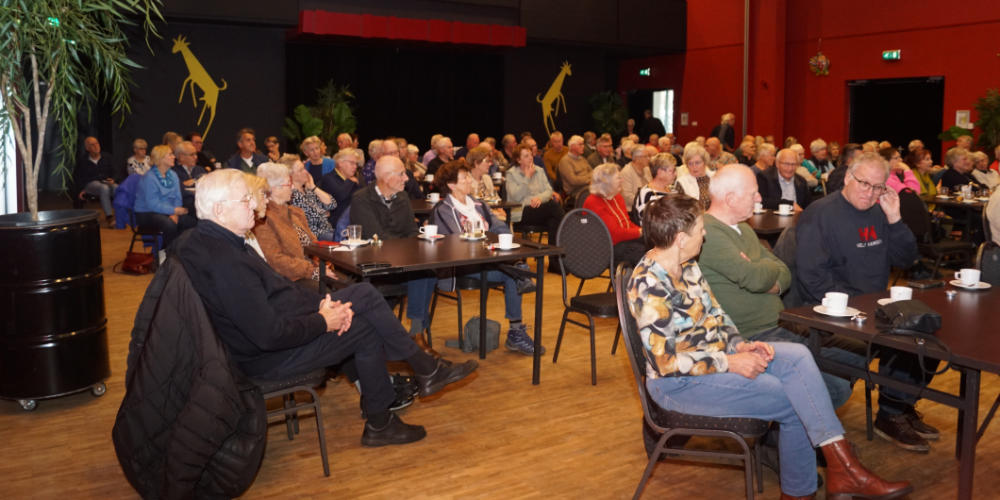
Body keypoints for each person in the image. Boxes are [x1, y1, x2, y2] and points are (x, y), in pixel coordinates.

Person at [627, 193, 913, 500]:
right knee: (792, 399)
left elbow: (717, 316)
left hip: (711, 362)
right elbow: (664, 362)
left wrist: (740, 345)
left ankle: (842, 468)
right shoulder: (649, 283)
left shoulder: (687, 265)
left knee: (799, 356)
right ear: (681, 238)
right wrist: (729, 361)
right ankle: (815, 485)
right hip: (679, 385)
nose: (705, 233)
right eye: (700, 230)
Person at [173, 168, 478, 447]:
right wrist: (324, 321)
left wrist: (322, 303)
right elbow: (267, 334)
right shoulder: (227, 262)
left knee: (362, 302)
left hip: (276, 332)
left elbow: (279, 293)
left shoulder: (219, 244)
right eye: (245, 200)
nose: (253, 205)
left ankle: (399, 399)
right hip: (265, 359)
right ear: (219, 210)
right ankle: (405, 391)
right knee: (365, 314)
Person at [796, 152, 940, 453]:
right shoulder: (820, 213)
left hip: (874, 308)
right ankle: (892, 412)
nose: (871, 192)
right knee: (902, 339)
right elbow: (813, 278)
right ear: (848, 178)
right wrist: (857, 308)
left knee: (928, 333)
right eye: (864, 184)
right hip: (831, 310)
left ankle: (896, 407)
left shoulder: (880, 211)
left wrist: (895, 218)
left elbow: (907, 259)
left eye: (878, 187)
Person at [698, 165, 861, 409]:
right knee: (835, 384)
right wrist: (762, 269)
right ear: (730, 199)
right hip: (750, 336)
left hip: (778, 326)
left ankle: (792, 419)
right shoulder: (708, 232)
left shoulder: (743, 228)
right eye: (753, 193)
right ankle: (780, 435)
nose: (760, 198)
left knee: (855, 355)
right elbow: (755, 278)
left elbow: (783, 271)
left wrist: (762, 270)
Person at [430, 160, 545, 355]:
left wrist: (501, 238)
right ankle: (516, 333)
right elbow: (457, 240)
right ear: (451, 185)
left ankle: (516, 325)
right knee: (515, 274)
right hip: (465, 265)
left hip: (490, 259)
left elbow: (498, 225)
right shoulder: (443, 210)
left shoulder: (478, 203)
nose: (469, 180)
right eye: (464, 177)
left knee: (512, 273)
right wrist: (489, 242)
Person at [251, 162, 328, 284]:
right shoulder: (262, 219)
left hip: (313, 271)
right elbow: (275, 260)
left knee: (353, 284)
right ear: (274, 189)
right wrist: (314, 271)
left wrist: (325, 263)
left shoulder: (295, 212)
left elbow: (314, 244)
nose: (292, 187)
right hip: (293, 280)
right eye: (289, 184)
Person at [506, 145, 564, 272]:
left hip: (540, 209)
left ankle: (554, 263)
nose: (530, 158)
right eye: (526, 156)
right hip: (521, 212)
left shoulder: (539, 170)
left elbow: (548, 191)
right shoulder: (511, 174)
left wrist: (539, 199)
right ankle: (560, 257)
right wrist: (526, 177)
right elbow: (516, 197)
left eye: (531, 155)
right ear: (518, 160)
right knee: (554, 207)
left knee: (554, 221)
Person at [134, 145, 197, 248]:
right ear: (160, 158)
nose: (174, 157)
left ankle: (181, 250)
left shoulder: (173, 175)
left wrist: (175, 213)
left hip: (167, 211)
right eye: (170, 154)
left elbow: (177, 197)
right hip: (147, 213)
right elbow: (152, 204)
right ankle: (169, 253)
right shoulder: (149, 178)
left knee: (190, 222)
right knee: (169, 224)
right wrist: (174, 211)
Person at [583, 164, 645, 266]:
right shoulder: (593, 202)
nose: (622, 180)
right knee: (642, 251)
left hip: (621, 241)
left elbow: (627, 223)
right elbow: (613, 235)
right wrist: (639, 232)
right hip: (604, 247)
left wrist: (642, 231)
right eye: (618, 178)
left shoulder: (617, 197)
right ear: (606, 181)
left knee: (655, 242)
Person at [280, 154, 337, 241]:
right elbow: (315, 218)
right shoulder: (292, 195)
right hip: (315, 237)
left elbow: (332, 204)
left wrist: (313, 187)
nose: (306, 172)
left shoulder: (308, 190)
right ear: (290, 176)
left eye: (304, 168)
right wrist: (323, 212)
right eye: (301, 170)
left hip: (328, 231)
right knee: (344, 239)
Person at [75, 136, 118, 225]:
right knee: (104, 188)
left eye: (97, 143)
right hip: (90, 184)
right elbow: (78, 177)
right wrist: (80, 190)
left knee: (117, 188)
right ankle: (109, 216)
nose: (96, 146)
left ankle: (120, 215)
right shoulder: (83, 161)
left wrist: (113, 179)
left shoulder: (107, 157)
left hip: (106, 181)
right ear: (87, 148)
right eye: (92, 145)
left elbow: (116, 171)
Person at [319, 148, 364, 226]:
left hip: (355, 221)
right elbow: (340, 196)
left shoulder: (356, 178)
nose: (355, 166)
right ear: (340, 163)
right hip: (337, 224)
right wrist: (350, 181)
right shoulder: (328, 178)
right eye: (352, 163)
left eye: (356, 164)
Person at [633, 152, 676, 221]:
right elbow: (646, 222)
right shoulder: (646, 193)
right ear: (660, 172)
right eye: (672, 171)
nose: (675, 174)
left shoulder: (672, 189)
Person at [172, 141, 207, 215]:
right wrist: (184, 185)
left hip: (202, 203)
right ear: (181, 157)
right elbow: (177, 191)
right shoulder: (173, 172)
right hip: (184, 205)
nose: (196, 157)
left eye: (196, 154)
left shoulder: (200, 169)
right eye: (192, 155)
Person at [676, 143, 714, 208]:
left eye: (697, 163)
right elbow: (680, 208)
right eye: (690, 164)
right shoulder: (682, 182)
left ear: (705, 162)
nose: (694, 167)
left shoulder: (715, 177)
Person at [557, 135, 593, 202]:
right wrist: (588, 180)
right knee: (597, 196)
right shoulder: (565, 161)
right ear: (572, 147)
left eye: (583, 144)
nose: (583, 146)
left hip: (588, 187)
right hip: (576, 192)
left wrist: (586, 178)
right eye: (580, 144)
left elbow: (593, 173)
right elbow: (574, 181)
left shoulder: (582, 159)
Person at [620, 144, 651, 209]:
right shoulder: (626, 172)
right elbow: (627, 197)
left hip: (647, 205)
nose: (649, 159)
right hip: (633, 208)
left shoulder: (646, 169)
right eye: (646, 156)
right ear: (637, 158)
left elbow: (652, 186)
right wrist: (646, 202)